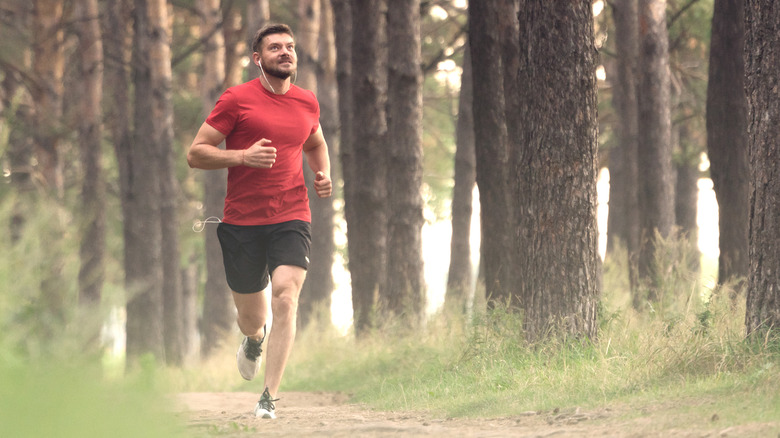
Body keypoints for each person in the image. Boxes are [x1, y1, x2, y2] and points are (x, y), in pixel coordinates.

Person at [187, 23, 332, 419]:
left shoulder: (307, 102)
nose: (285, 52)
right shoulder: (237, 99)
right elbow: (196, 153)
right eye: (275, 48)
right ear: (258, 59)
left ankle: (268, 397)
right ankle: (254, 340)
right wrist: (241, 156)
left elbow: (315, 142)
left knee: (286, 295)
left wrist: (323, 173)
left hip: (291, 214)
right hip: (241, 222)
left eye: (290, 46)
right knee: (253, 318)